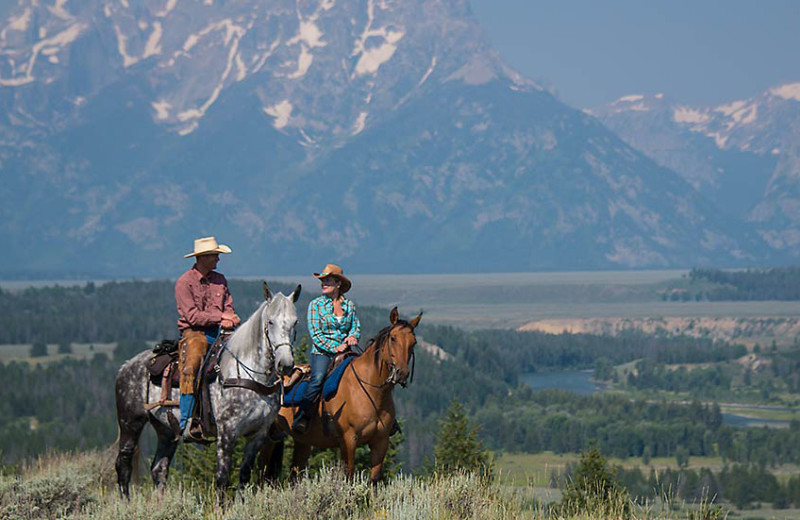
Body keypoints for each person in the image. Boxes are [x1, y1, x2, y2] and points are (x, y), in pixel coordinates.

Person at [175, 236, 240, 439]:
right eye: (215, 255)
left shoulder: (220, 280)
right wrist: (222, 317)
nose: (218, 260)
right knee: (192, 363)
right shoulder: (185, 282)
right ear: (203, 257)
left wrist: (231, 318)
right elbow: (192, 316)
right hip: (195, 332)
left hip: (221, 332)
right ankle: (186, 422)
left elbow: (228, 307)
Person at [292, 264, 361, 434]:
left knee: (364, 374)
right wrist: (334, 347)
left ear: (338, 284)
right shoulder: (315, 305)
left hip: (346, 351)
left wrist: (353, 336)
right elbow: (315, 334)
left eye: (327, 280)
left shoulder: (349, 305)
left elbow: (355, 326)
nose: (323, 284)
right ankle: (303, 416)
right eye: (322, 281)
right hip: (322, 353)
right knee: (317, 379)